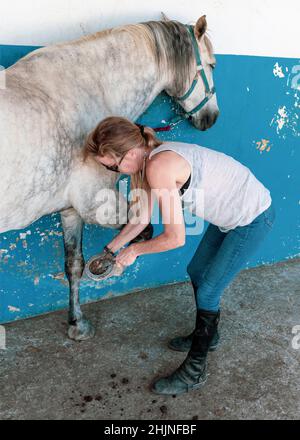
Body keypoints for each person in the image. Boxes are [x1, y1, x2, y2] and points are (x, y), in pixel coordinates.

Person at [83, 115, 276, 396]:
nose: (116, 172)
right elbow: (140, 219)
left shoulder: (159, 166)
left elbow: (175, 238)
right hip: (229, 216)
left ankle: (194, 371)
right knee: (197, 271)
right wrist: (109, 252)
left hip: (252, 217)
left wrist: (134, 250)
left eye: (113, 166)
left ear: (130, 153)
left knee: (208, 291)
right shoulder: (149, 161)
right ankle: (208, 336)